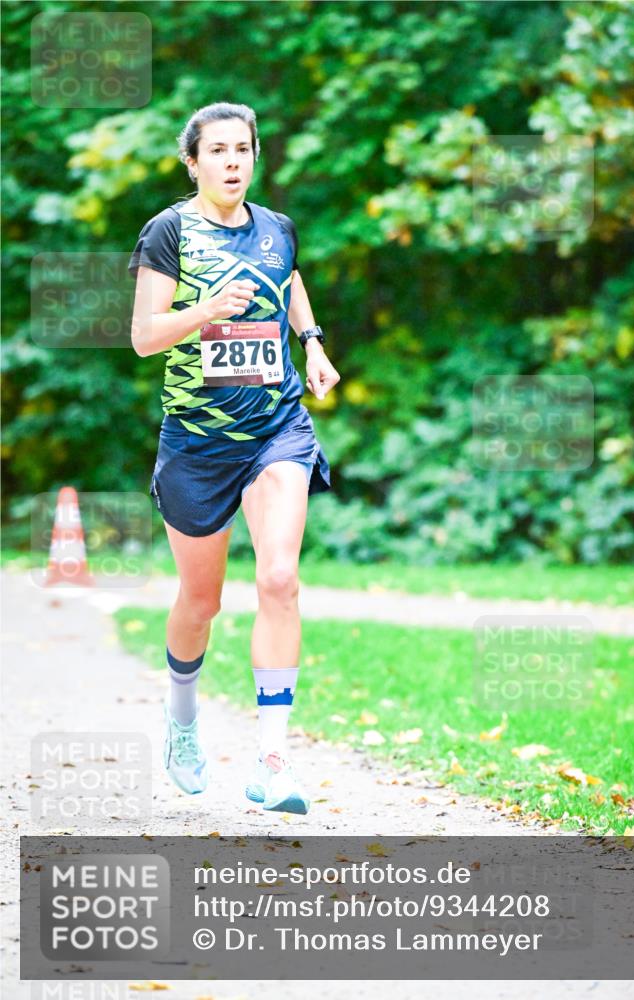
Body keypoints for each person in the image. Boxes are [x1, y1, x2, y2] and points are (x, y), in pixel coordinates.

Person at [129, 101, 339, 815]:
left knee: (279, 579)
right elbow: (144, 336)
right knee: (202, 602)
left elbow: (290, 280)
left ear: (254, 156)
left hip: (277, 427)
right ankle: (182, 723)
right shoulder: (169, 231)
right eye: (216, 150)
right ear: (193, 162)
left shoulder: (276, 227)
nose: (231, 162)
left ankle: (272, 762)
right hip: (197, 440)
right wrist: (206, 309)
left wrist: (311, 343)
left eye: (242, 149)